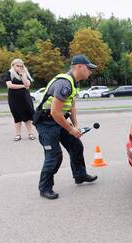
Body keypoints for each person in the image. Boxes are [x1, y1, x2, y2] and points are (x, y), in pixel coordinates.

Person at [34, 55, 98, 200]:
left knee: (76, 145)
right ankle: (44, 188)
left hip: (59, 119)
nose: (90, 72)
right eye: (89, 68)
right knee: (54, 156)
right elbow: (55, 112)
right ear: (79, 66)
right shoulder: (64, 84)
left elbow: (72, 106)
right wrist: (70, 129)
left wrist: (75, 126)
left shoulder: (74, 83)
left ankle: (80, 175)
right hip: (46, 122)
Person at [5, 59, 36, 141]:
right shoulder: (9, 73)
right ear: (13, 65)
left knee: (27, 115)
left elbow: (27, 84)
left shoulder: (25, 73)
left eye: (21, 66)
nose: (19, 67)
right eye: (17, 65)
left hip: (25, 97)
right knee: (17, 115)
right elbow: (10, 85)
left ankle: (31, 133)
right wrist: (23, 86)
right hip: (13, 98)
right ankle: (18, 135)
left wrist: (22, 75)